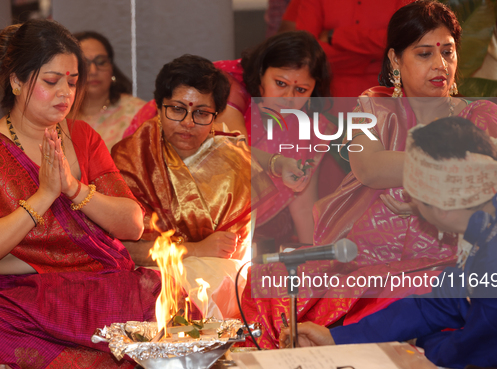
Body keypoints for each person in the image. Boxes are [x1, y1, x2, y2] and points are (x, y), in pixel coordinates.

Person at [241, 0, 497, 349]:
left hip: (444, 263)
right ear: (395, 60)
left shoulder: (481, 116)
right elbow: (369, 167)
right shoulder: (374, 107)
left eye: (448, 52)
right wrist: (473, 169)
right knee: (266, 290)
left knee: (404, 303)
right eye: (424, 54)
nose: (440, 64)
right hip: (362, 255)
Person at [0, 19, 161, 369]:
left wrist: (72, 187)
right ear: (17, 81)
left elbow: (132, 224)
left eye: (71, 81)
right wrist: (43, 195)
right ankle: (107, 364)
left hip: (100, 288)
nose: (65, 92)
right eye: (51, 81)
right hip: (27, 303)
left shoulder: (82, 136)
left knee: (170, 297)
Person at [280, 117, 497, 369]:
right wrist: (338, 338)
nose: (415, 208)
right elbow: (442, 299)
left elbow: (476, 351)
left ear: (441, 209)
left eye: (416, 198)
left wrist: (415, 348)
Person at [125, 31, 333, 246]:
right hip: (164, 184)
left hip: (215, 214)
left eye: (301, 89)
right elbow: (236, 160)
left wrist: (315, 261)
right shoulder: (229, 86)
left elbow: (303, 205)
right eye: (280, 83)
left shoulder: (308, 125)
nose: (289, 98)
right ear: (261, 71)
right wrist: (277, 163)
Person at [112, 55, 254, 318]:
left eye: (201, 113)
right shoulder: (130, 158)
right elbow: (118, 248)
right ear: (158, 106)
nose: (188, 122)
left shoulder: (237, 162)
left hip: (221, 283)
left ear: (216, 115)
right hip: (146, 280)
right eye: (177, 109)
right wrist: (195, 249)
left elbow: (234, 252)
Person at [295, 0, 412, 97]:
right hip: (327, 91)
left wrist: (336, 35)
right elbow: (306, 50)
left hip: (388, 91)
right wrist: (371, 55)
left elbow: (402, 41)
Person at [72, 31, 145, 151]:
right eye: (84, 64)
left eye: (101, 62)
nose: (93, 71)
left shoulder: (137, 113)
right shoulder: (58, 115)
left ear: (111, 68)